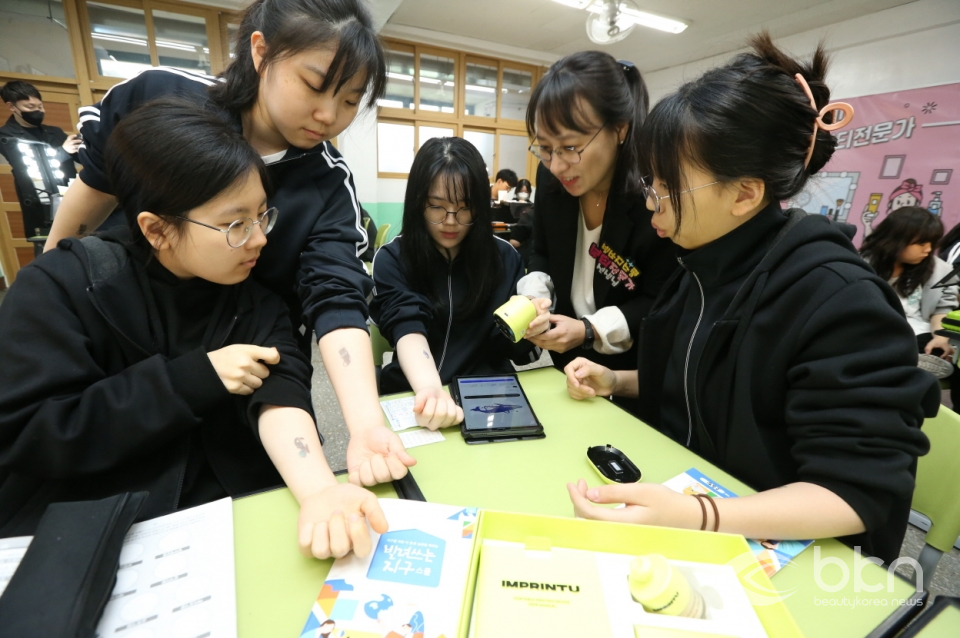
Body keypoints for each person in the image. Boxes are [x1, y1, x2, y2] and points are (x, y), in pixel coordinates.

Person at [563, 33, 936, 564]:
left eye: (668, 185)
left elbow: (857, 491)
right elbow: (722, 386)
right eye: (650, 180)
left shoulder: (839, 301)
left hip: (797, 557)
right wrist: (619, 380)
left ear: (744, 193)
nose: (650, 201)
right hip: (699, 508)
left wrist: (697, 518)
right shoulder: (702, 263)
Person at [41, 0, 415, 489]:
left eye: (350, 100)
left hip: (250, 362)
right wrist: (48, 298)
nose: (328, 115)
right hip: (132, 341)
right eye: (314, 84)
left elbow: (337, 301)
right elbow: (87, 208)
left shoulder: (325, 184)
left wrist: (366, 425)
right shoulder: (162, 100)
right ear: (261, 51)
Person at [0, 100, 386, 559]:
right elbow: (32, 433)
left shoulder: (252, 295)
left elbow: (280, 394)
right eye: (235, 224)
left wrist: (321, 490)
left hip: (228, 520)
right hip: (91, 535)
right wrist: (189, 380)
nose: (260, 238)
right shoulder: (62, 287)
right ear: (157, 229)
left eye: (262, 215)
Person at [519, 52, 677, 380]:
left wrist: (590, 330)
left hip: (633, 371)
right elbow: (543, 252)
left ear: (620, 129)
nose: (557, 165)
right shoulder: (552, 180)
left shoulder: (654, 198)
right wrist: (536, 296)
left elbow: (660, 300)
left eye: (570, 147)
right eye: (545, 148)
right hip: (567, 366)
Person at [370, 138, 543, 428]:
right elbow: (407, 327)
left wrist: (533, 325)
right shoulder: (393, 258)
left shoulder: (504, 258)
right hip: (414, 394)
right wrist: (430, 389)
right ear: (418, 203)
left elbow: (518, 352)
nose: (451, 221)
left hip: (489, 400)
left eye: (464, 208)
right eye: (436, 207)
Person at [861, 207, 959, 394]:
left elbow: (942, 309)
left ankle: (899, 363)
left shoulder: (940, 270)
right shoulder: (860, 265)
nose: (928, 250)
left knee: (938, 351)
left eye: (932, 243)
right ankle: (903, 363)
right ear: (896, 240)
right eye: (921, 243)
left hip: (916, 333)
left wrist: (940, 338)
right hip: (875, 330)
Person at [0, 81, 81, 235]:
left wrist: (86, 145)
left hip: (70, 200)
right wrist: (63, 151)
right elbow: (27, 165)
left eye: (40, 106)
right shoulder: (5, 137)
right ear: (12, 107)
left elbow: (80, 158)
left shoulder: (55, 132)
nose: (38, 111)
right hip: (40, 203)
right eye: (30, 107)